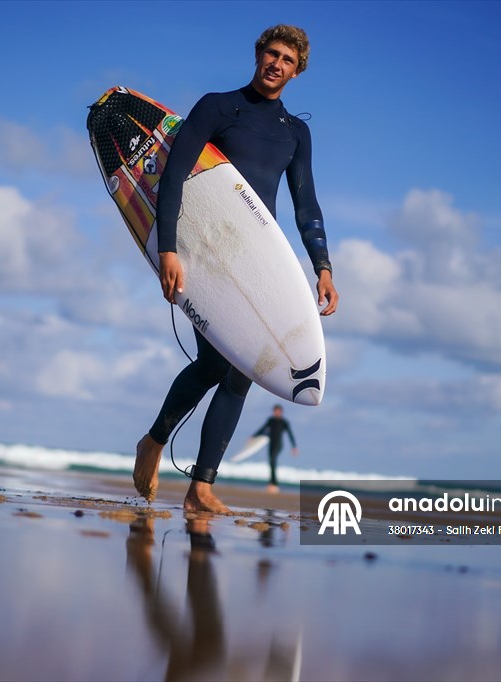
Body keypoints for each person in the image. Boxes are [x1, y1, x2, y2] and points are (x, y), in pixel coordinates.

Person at [133, 24, 338, 514]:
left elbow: (305, 203)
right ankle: (161, 447)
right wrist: (168, 249)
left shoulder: (296, 133)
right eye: (272, 53)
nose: (277, 64)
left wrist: (323, 267)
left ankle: (195, 481)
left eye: (288, 60)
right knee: (221, 362)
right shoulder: (219, 107)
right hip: (202, 251)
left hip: (254, 259)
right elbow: (174, 174)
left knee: (237, 368)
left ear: (297, 71)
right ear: (258, 53)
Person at [253, 405, 298, 493]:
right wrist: (254, 436)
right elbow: (263, 429)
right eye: (274, 411)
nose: (275, 413)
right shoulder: (271, 420)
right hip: (271, 444)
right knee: (271, 463)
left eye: (277, 411)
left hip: (278, 444)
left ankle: (275, 484)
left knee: (273, 461)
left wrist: (294, 447)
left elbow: (290, 434)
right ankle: (271, 483)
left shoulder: (284, 422)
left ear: (281, 412)